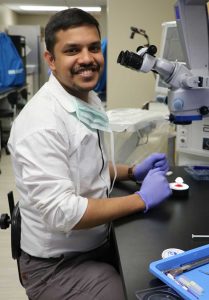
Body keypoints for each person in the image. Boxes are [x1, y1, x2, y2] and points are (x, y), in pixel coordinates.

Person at [8, 8, 172, 300]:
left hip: (95, 242)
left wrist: (131, 171)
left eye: (93, 47)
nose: (87, 58)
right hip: (56, 267)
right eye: (72, 50)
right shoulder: (41, 123)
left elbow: (86, 163)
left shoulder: (87, 98)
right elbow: (63, 211)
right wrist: (141, 199)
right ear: (51, 60)